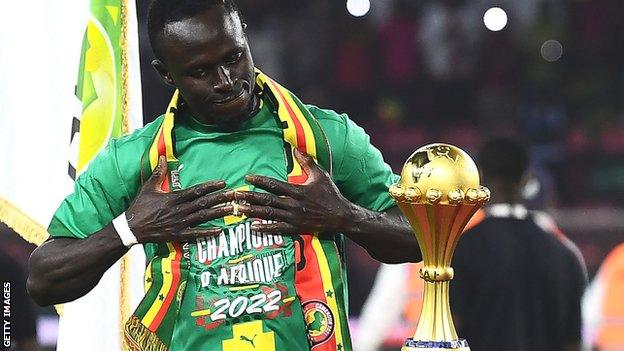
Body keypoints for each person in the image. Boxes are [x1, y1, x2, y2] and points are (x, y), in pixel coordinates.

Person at [26, 1, 419, 350]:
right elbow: (43, 280)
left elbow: (422, 241)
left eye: (233, 57)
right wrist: (131, 228)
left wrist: (344, 216)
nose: (226, 81)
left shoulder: (326, 138)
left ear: (244, 36)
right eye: (200, 71)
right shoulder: (134, 160)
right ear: (166, 74)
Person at [449, 137, 587, 351]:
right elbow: (573, 343)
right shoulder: (564, 252)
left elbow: (451, 331)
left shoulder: (461, 248)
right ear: (526, 180)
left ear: (481, 178)